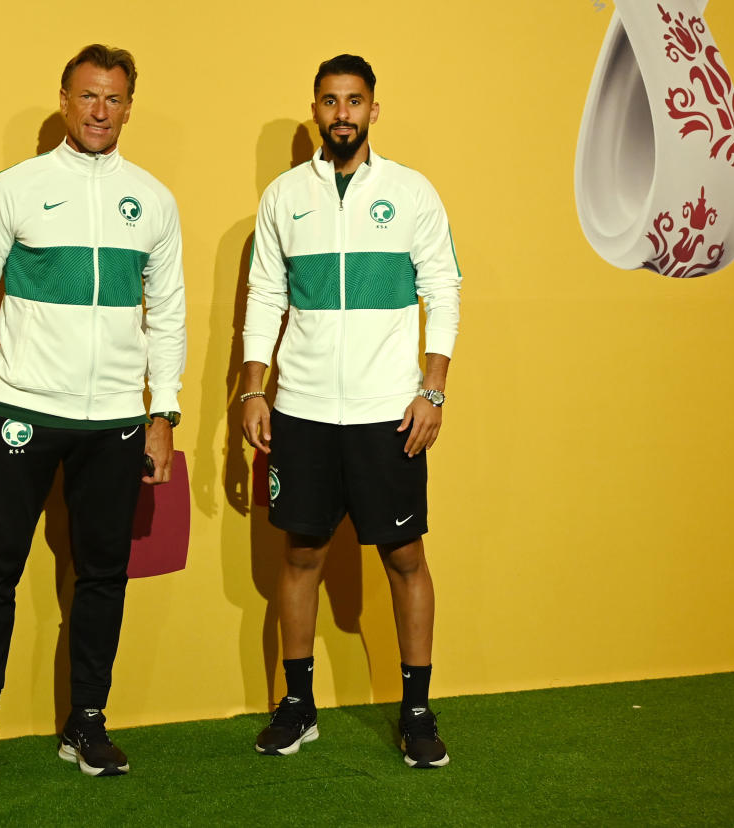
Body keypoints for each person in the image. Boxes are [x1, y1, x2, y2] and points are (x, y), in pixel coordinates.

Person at [0, 44, 185, 782]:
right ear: (64, 99)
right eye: (87, 97)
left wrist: (163, 410)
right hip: (19, 410)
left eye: (113, 99)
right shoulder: (15, 188)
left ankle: (87, 723)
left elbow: (167, 314)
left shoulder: (155, 199)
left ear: (129, 107)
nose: (100, 111)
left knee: (103, 575)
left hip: (115, 419)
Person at [240, 54, 462, 770]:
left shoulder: (412, 191)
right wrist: (252, 389)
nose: (342, 114)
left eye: (354, 101)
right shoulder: (284, 197)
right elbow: (265, 298)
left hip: (385, 411)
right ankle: (298, 707)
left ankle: (417, 711)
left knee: (404, 558)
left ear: (373, 109)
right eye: (330, 102)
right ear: (316, 111)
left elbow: (445, 291)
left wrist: (432, 389)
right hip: (301, 408)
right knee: (300, 554)